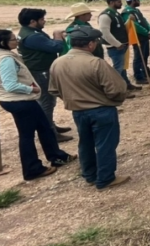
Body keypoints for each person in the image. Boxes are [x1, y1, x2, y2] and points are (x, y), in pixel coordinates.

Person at [49, 26, 130, 190]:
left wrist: (73, 98)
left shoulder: (57, 62)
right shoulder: (96, 63)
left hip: (78, 112)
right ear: (91, 44)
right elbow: (116, 89)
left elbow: (54, 89)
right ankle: (106, 178)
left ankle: (90, 175)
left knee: (85, 143)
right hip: (101, 110)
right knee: (105, 144)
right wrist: (112, 100)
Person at [0, 30, 76, 181]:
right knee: (28, 135)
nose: (17, 41)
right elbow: (10, 84)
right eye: (13, 40)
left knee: (42, 128)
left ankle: (56, 156)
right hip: (20, 100)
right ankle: (33, 168)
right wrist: (32, 89)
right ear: (3, 43)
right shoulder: (5, 59)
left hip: (12, 100)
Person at [16, 8, 75, 143]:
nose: (44, 21)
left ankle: (51, 126)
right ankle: (50, 132)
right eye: (42, 19)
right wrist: (57, 37)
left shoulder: (29, 32)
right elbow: (56, 47)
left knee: (48, 101)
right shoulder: (33, 36)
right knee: (47, 102)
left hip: (39, 69)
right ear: (32, 21)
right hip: (40, 71)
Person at [98, 0, 139, 96]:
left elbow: (121, 28)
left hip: (122, 45)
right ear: (111, 2)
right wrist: (117, 44)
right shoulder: (105, 15)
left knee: (123, 67)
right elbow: (105, 33)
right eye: (118, 2)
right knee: (118, 69)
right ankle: (119, 90)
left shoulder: (115, 13)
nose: (121, 4)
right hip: (115, 47)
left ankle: (126, 84)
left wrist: (129, 21)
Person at [121, 0, 150, 86]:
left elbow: (145, 21)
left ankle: (145, 71)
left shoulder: (136, 10)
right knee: (139, 57)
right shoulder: (127, 12)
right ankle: (139, 76)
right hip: (138, 38)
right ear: (133, 1)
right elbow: (135, 26)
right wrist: (146, 32)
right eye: (137, 0)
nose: (139, 1)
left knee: (145, 55)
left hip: (144, 37)